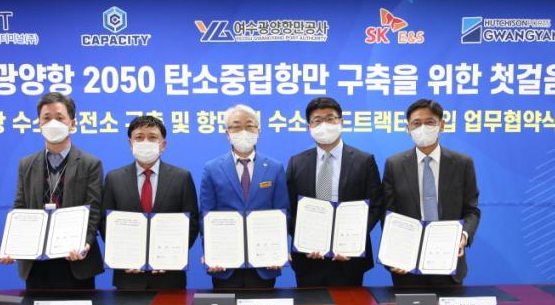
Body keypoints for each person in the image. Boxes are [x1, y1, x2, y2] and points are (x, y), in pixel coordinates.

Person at [0, 92, 103, 289]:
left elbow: (93, 210)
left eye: (60, 118)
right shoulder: (26, 164)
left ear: (72, 123)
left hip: (76, 261)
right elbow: (20, 208)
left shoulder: (90, 164)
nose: (53, 123)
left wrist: (85, 244)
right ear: (39, 124)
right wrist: (11, 246)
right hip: (36, 263)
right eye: (47, 118)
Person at [286, 97, 384, 287]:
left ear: (341, 122)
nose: (324, 125)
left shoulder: (364, 161)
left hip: (349, 258)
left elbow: (376, 205)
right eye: (317, 120)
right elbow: (289, 208)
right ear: (309, 127)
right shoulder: (296, 162)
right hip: (308, 259)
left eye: (330, 118)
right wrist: (304, 241)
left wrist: (352, 241)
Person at [383, 98, 480, 286]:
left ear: (441, 125)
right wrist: (394, 252)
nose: (423, 128)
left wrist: (463, 236)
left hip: (448, 260)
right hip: (406, 264)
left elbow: (472, 210)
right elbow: (388, 213)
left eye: (429, 122)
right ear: (408, 128)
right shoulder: (394, 165)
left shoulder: (462, 164)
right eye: (416, 123)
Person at [101, 115, 199, 290]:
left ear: (163, 145)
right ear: (130, 143)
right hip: (128, 276)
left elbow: (192, 223)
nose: (145, 142)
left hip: (169, 276)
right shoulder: (114, 178)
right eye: (139, 137)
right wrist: (122, 257)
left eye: (152, 137)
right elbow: (105, 223)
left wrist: (170, 257)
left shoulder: (182, 178)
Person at [200, 104, 290, 289]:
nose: (243, 131)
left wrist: (279, 250)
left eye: (249, 126)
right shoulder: (212, 169)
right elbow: (205, 216)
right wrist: (211, 253)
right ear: (227, 133)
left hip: (264, 264)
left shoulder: (275, 168)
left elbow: (283, 213)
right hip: (225, 265)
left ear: (258, 131)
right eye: (236, 126)